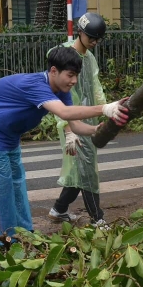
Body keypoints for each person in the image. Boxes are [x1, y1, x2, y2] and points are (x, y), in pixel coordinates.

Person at [0, 46, 129, 240]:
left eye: (76, 75)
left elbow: (75, 125)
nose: (74, 81)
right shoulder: (36, 85)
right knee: (1, 189)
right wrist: (104, 108)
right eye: (70, 75)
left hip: (9, 135)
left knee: (17, 183)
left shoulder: (61, 90)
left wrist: (97, 129)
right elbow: (64, 113)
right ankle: (6, 240)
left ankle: (26, 235)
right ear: (53, 71)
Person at [48, 13, 116, 227]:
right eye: (91, 38)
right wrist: (68, 129)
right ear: (80, 32)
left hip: (88, 119)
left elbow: (95, 87)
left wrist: (106, 110)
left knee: (81, 168)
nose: (94, 42)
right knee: (86, 169)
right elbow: (57, 96)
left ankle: (58, 209)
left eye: (98, 39)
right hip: (71, 122)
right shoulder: (62, 55)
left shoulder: (90, 57)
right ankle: (98, 218)